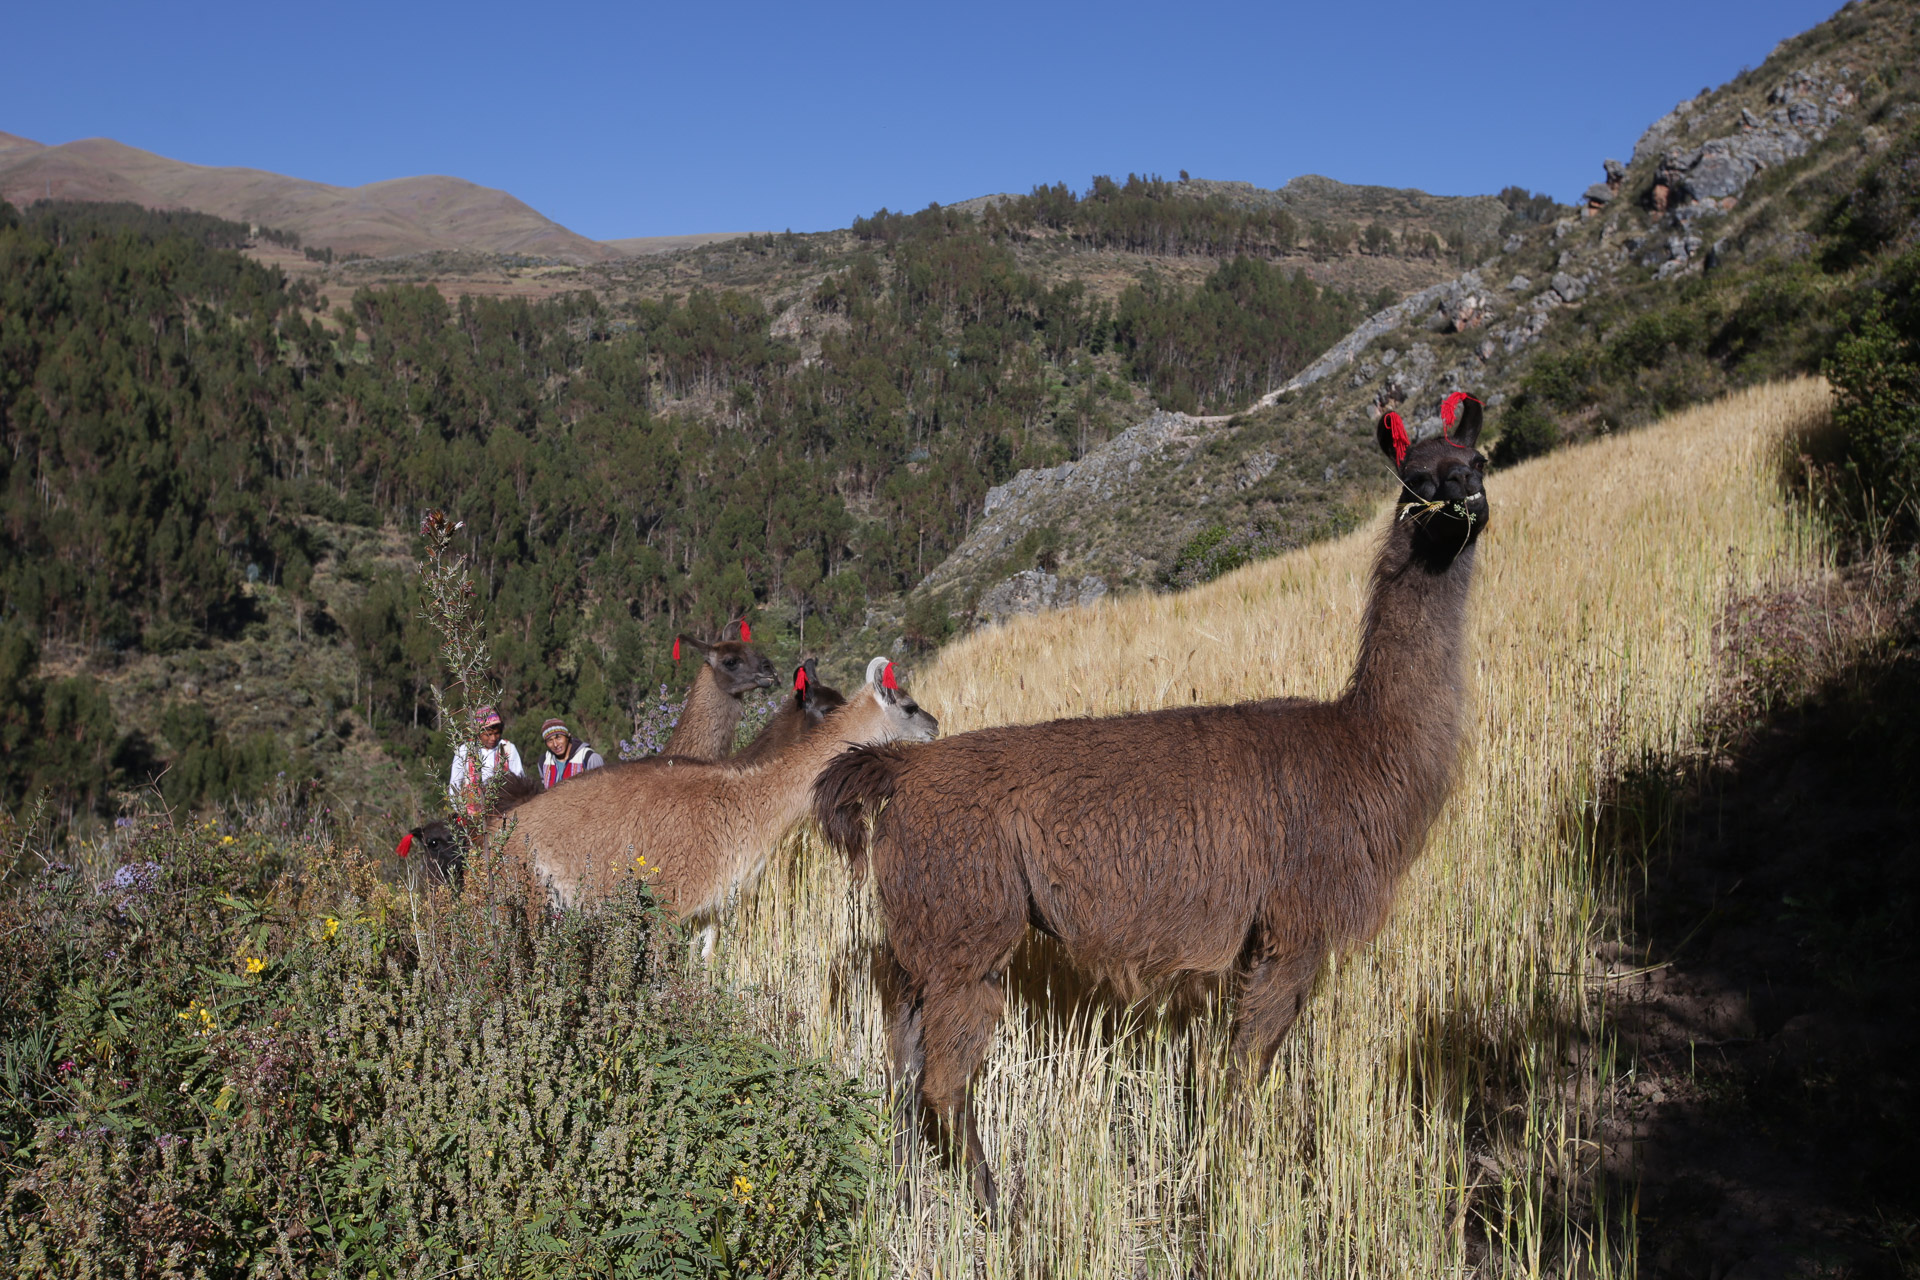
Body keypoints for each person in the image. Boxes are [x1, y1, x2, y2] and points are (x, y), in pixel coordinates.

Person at [447, 707, 525, 809]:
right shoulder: (464, 750)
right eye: (488, 734)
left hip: (504, 808)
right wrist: (458, 809)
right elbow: (455, 783)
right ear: (478, 733)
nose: (493, 738)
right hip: (472, 811)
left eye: (497, 733)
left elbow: (519, 777)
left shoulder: (508, 748)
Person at [538, 718, 604, 789]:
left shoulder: (589, 758)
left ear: (568, 736)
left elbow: (602, 789)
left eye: (558, 738)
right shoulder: (544, 761)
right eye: (550, 740)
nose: (555, 744)